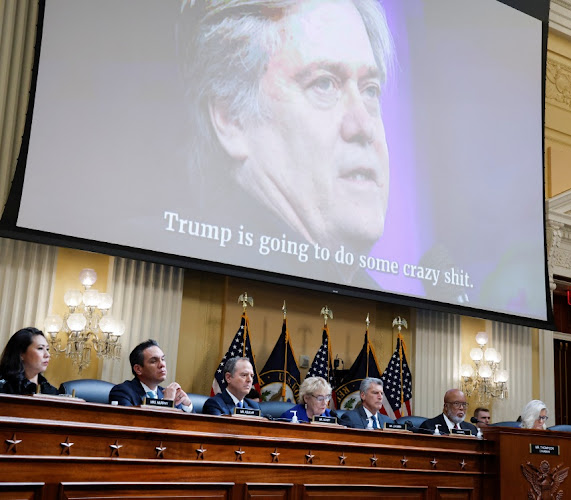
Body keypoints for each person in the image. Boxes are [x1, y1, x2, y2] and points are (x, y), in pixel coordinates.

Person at [182, 0, 395, 285]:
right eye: (324, 84)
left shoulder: (386, 314)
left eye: (370, 90)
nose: (364, 126)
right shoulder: (167, 266)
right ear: (231, 118)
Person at [109, 339, 193, 412]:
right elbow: (132, 425)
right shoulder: (122, 392)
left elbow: (193, 427)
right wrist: (167, 403)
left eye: (163, 359)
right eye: (153, 361)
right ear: (138, 369)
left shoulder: (167, 394)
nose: (162, 364)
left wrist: (187, 405)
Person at [0, 327, 58, 395]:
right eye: (40, 348)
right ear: (21, 354)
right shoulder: (4, 387)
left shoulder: (51, 391)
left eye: (47, 349)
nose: (47, 355)